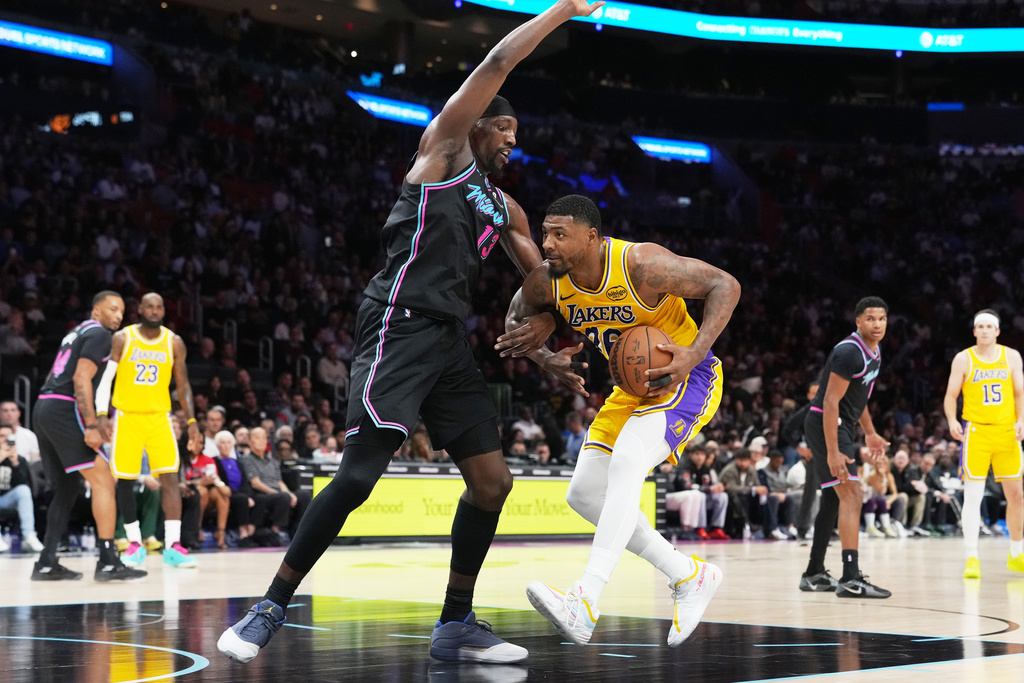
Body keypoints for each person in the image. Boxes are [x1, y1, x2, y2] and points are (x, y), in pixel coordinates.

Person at [216, 0, 604, 665]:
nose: (514, 141)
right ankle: (270, 605)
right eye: (506, 128)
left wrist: (545, 338)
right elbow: (497, 59)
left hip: (448, 341)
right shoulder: (442, 151)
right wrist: (563, 10)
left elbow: (545, 281)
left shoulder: (504, 204)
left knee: (492, 482)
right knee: (361, 475)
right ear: (480, 122)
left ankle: (455, 623)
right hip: (397, 323)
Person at [501, 194, 740, 647]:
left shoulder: (640, 265)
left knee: (628, 460)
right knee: (585, 494)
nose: (546, 244)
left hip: (685, 378)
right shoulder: (547, 283)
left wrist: (693, 353)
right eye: (545, 233)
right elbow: (515, 319)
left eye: (559, 234)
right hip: (630, 390)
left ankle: (585, 601)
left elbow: (725, 285)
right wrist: (546, 358)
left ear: (591, 237)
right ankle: (688, 575)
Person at [30, 291, 146, 581]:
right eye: (113, 309)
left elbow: (54, 376)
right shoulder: (100, 335)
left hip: (44, 405)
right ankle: (107, 561)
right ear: (97, 311)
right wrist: (92, 425)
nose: (119, 315)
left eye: (122, 311)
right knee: (103, 478)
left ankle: (46, 561)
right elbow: (81, 378)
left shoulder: (75, 332)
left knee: (68, 487)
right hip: (63, 408)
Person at [95, 292, 204, 569]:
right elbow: (106, 379)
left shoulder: (174, 342)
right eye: (150, 306)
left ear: (163, 311)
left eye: (159, 307)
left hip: (159, 418)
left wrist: (192, 423)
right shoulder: (123, 338)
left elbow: (184, 386)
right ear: (140, 309)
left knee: (170, 478)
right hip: (127, 417)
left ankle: (173, 546)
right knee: (126, 481)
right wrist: (101, 414)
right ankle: (133, 543)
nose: (155, 311)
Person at [799, 297, 891, 598]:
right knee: (852, 494)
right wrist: (834, 450)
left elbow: (858, 398)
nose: (877, 324)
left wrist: (871, 433)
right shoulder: (849, 351)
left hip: (842, 427)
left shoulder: (874, 352)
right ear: (858, 321)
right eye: (870, 319)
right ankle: (851, 577)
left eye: (882, 319)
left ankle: (813, 572)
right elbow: (829, 401)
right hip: (827, 424)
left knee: (833, 499)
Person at [942, 308, 1024, 579]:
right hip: (976, 432)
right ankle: (972, 558)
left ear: (998, 331)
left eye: (990, 326)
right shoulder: (963, 359)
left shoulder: (1011, 356)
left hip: (1006, 433)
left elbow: (1020, 393)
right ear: (975, 331)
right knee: (973, 496)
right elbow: (951, 394)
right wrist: (952, 420)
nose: (986, 330)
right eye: (981, 326)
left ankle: (1016, 553)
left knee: (1016, 496)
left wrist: (1021, 419)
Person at [0, 423, 44, 552]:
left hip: (8, 499)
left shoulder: (20, 459)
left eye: (8, 436)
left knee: (23, 490)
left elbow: (23, 483)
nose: (4, 439)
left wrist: (15, 464)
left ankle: (29, 535)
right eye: (1, 436)